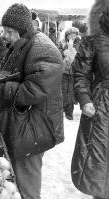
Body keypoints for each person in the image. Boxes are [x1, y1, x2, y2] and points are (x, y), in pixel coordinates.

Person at [0, 3, 64, 199]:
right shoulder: (23, 44)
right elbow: (15, 74)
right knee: (19, 173)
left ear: (22, 30)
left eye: (9, 31)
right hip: (24, 120)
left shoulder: (43, 49)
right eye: (4, 30)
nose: (4, 35)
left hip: (35, 125)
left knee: (27, 178)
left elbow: (35, 90)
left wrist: (0, 88)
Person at [71, 0, 109, 198]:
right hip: (101, 110)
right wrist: (85, 99)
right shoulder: (94, 39)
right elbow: (80, 72)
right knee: (99, 169)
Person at [59, 27, 80, 120]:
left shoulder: (79, 44)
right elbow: (58, 53)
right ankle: (64, 107)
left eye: (74, 35)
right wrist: (65, 53)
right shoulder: (63, 44)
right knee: (63, 89)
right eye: (70, 35)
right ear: (67, 36)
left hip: (74, 71)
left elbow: (81, 56)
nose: (72, 37)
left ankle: (69, 110)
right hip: (64, 71)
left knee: (71, 91)